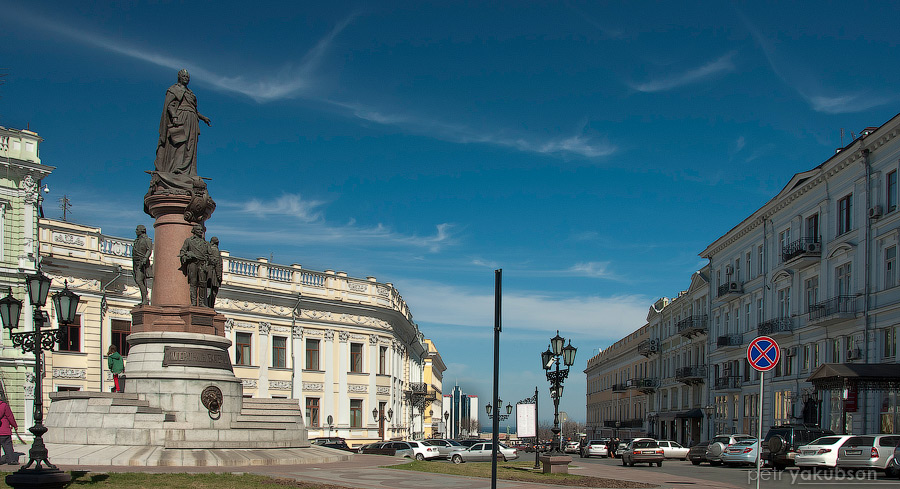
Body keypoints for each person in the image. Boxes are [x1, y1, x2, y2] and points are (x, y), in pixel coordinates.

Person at [153, 69, 211, 190]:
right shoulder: (174, 89)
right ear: (179, 77)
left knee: (190, 147)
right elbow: (170, 105)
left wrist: (203, 118)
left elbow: (194, 109)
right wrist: (174, 117)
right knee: (179, 144)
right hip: (181, 118)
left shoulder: (190, 93)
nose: (186, 78)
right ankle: (175, 169)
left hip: (192, 120)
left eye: (188, 76)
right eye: (184, 76)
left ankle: (188, 172)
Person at [179, 224, 209, 306]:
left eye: (201, 230)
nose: (200, 231)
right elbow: (183, 251)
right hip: (193, 263)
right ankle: (193, 302)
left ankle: (202, 302)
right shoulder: (189, 241)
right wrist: (187, 255)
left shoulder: (205, 243)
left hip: (202, 263)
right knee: (193, 282)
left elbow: (209, 255)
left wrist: (207, 262)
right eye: (198, 230)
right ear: (194, 231)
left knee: (202, 283)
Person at [132, 225, 152, 305]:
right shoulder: (137, 240)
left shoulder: (146, 240)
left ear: (142, 230)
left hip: (142, 262)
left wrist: (145, 259)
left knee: (139, 280)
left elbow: (149, 250)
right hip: (136, 262)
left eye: (137, 229)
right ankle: (144, 299)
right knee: (139, 281)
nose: (136, 231)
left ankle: (145, 300)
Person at [0, 397, 18, 465]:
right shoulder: (4, 405)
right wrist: (15, 425)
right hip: (4, 431)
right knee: (8, 446)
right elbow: (10, 416)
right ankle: (11, 460)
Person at [206, 236, 222, 308]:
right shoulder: (215, 250)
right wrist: (219, 276)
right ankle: (210, 305)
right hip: (213, 273)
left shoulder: (208, 249)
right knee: (214, 291)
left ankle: (207, 304)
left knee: (207, 289)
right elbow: (217, 264)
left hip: (208, 272)